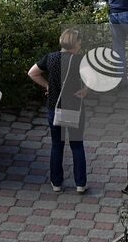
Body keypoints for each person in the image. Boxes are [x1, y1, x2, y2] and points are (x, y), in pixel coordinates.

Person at [27, 29, 87, 194]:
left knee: (56, 146)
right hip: (74, 107)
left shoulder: (51, 58)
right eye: (80, 42)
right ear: (75, 43)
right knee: (77, 145)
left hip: (55, 106)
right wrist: (85, 90)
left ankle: (56, 183)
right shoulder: (80, 60)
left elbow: (32, 73)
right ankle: (80, 184)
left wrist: (47, 85)